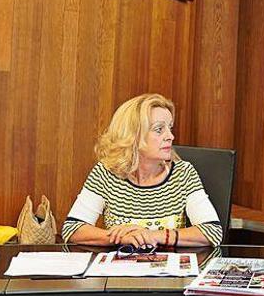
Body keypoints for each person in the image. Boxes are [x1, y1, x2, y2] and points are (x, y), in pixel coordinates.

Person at [62, 93, 222, 247]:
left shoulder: (184, 173)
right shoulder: (105, 173)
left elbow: (212, 231)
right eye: (159, 129)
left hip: (170, 271)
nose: (171, 136)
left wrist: (152, 235)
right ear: (133, 135)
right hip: (118, 271)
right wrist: (121, 238)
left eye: (170, 128)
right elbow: (72, 228)